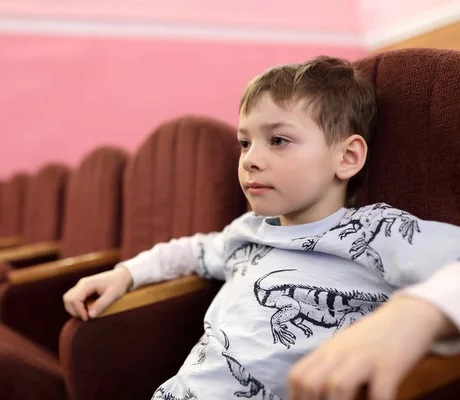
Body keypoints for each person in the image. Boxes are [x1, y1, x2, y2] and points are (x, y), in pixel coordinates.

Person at [63, 56, 460, 400]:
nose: (251, 159)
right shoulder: (247, 231)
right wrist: (127, 273)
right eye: (244, 143)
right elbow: (191, 251)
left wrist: (419, 313)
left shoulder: (377, 232)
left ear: (347, 157)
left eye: (279, 140)